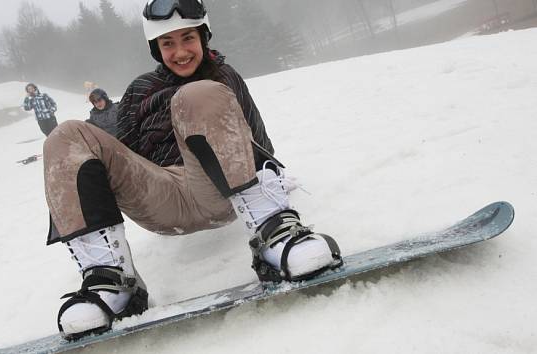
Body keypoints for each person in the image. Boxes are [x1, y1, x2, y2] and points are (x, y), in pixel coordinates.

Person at [43, 0, 343, 340]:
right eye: (167, 43)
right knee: (66, 135)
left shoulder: (223, 78)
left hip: (220, 187)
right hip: (160, 194)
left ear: (203, 36)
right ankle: (112, 283)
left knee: (197, 94)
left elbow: (256, 141)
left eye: (187, 38)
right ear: (156, 49)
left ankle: (274, 235)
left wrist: (273, 177)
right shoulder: (139, 90)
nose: (180, 51)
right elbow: (124, 158)